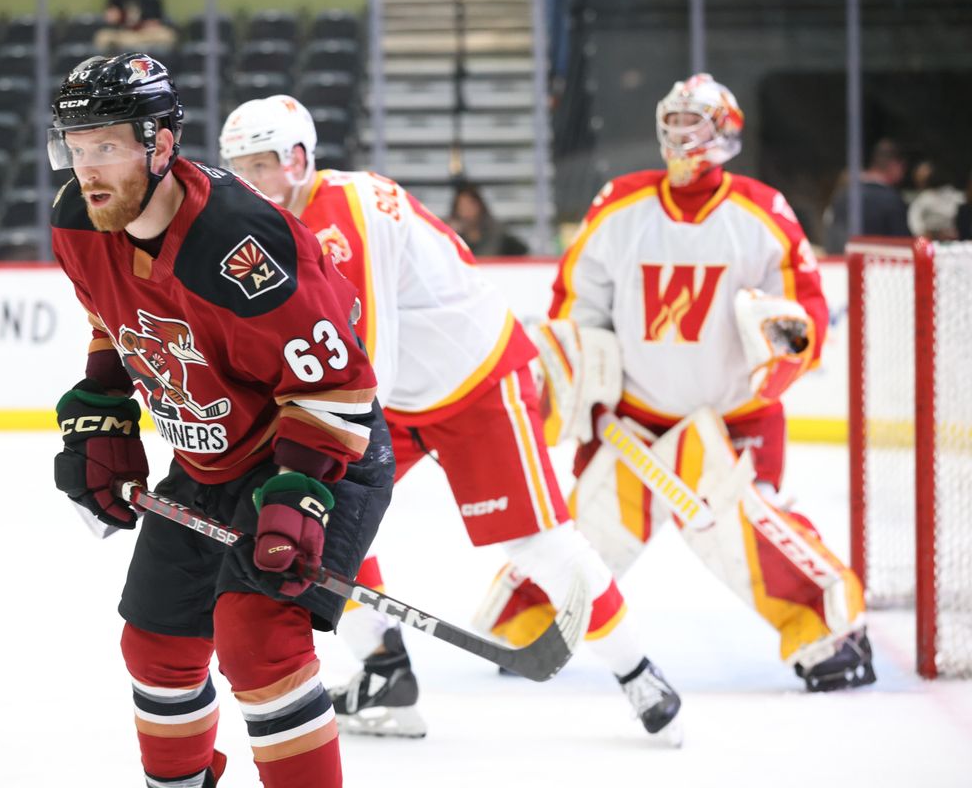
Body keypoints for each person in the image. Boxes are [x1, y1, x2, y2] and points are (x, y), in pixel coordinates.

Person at [219, 95, 684, 743]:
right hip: (394, 394)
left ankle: (639, 674)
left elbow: (362, 355)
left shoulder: (342, 212)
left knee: (538, 544)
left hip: (476, 381)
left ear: (298, 159)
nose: (250, 181)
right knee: (322, 518)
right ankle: (387, 674)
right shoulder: (273, 225)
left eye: (262, 164)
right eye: (238, 168)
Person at [47, 54, 394, 788]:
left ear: (160, 144)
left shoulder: (240, 246)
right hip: (212, 460)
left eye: (106, 146)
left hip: (320, 449)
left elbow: (337, 383)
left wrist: (298, 493)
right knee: (155, 641)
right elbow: (112, 320)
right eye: (76, 149)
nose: (88, 169)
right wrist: (105, 408)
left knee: (257, 641)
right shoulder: (78, 221)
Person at [528, 73, 874, 693]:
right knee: (589, 534)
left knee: (746, 530)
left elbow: (805, 309)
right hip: (634, 419)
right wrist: (581, 385)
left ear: (726, 133)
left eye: (697, 122)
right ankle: (528, 624)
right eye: (674, 120)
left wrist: (792, 342)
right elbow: (576, 305)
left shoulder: (762, 213)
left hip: (732, 420)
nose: (681, 134)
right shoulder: (619, 204)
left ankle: (832, 631)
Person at [824, 138, 911, 253]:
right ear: (895, 165)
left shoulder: (842, 196)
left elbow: (832, 239)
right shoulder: (893, 201)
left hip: (841, 265)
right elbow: (903, 247)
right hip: (879, 267)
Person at [446, 181, 528, 257]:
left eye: (470, 206)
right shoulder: (453, 238)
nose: (467, 212)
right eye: (462, 207)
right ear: (456, 210)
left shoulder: (497, 234)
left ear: (480, 206)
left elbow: (521, 250)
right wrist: (450, 235)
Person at [93, 0, 177, 54]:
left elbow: (156, 21)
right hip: (123, 33)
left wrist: (151, 24)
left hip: (144, 34)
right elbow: (110, 17)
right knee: (102, 37)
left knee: (168, 35)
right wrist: (113, 16)